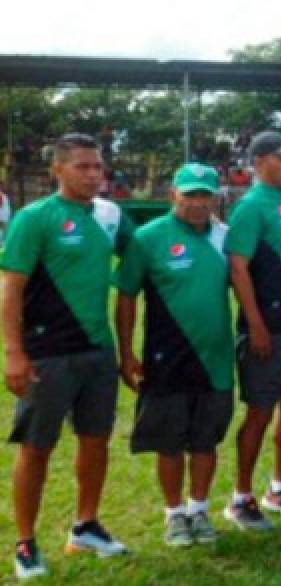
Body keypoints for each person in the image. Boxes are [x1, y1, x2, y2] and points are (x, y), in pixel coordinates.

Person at [3, 133, 135, 580]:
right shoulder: (35, 218)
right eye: (82, 166)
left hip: (98, 351)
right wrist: (15, 353)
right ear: (56, 170)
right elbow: (11, 287)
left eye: (98, 167)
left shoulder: (110, 215)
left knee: (96, 440)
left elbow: (143, 253)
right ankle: (25, 542)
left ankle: (86, 525)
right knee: (37, 448)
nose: (94, 175)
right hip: (47, 354)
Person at [114, 163, 234, 546]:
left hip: (216, 358)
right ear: (172, 196)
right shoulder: (148, 238)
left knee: (205, 440)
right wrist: (127, 351)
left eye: (205, 195)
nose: (198, 203)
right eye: (190, 194)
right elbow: (127, 295)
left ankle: (199, 511)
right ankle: (173, 516)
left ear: (215, 198)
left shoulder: (225, 238)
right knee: (169, 441)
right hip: (167, 356)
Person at [223, 130, 281, 529]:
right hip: (268, 331)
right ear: (260, 163)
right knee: (259, 413)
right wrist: (256, 324)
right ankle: (240, 497)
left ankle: (280, 487)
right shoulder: (250, 207)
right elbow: (237, 266)